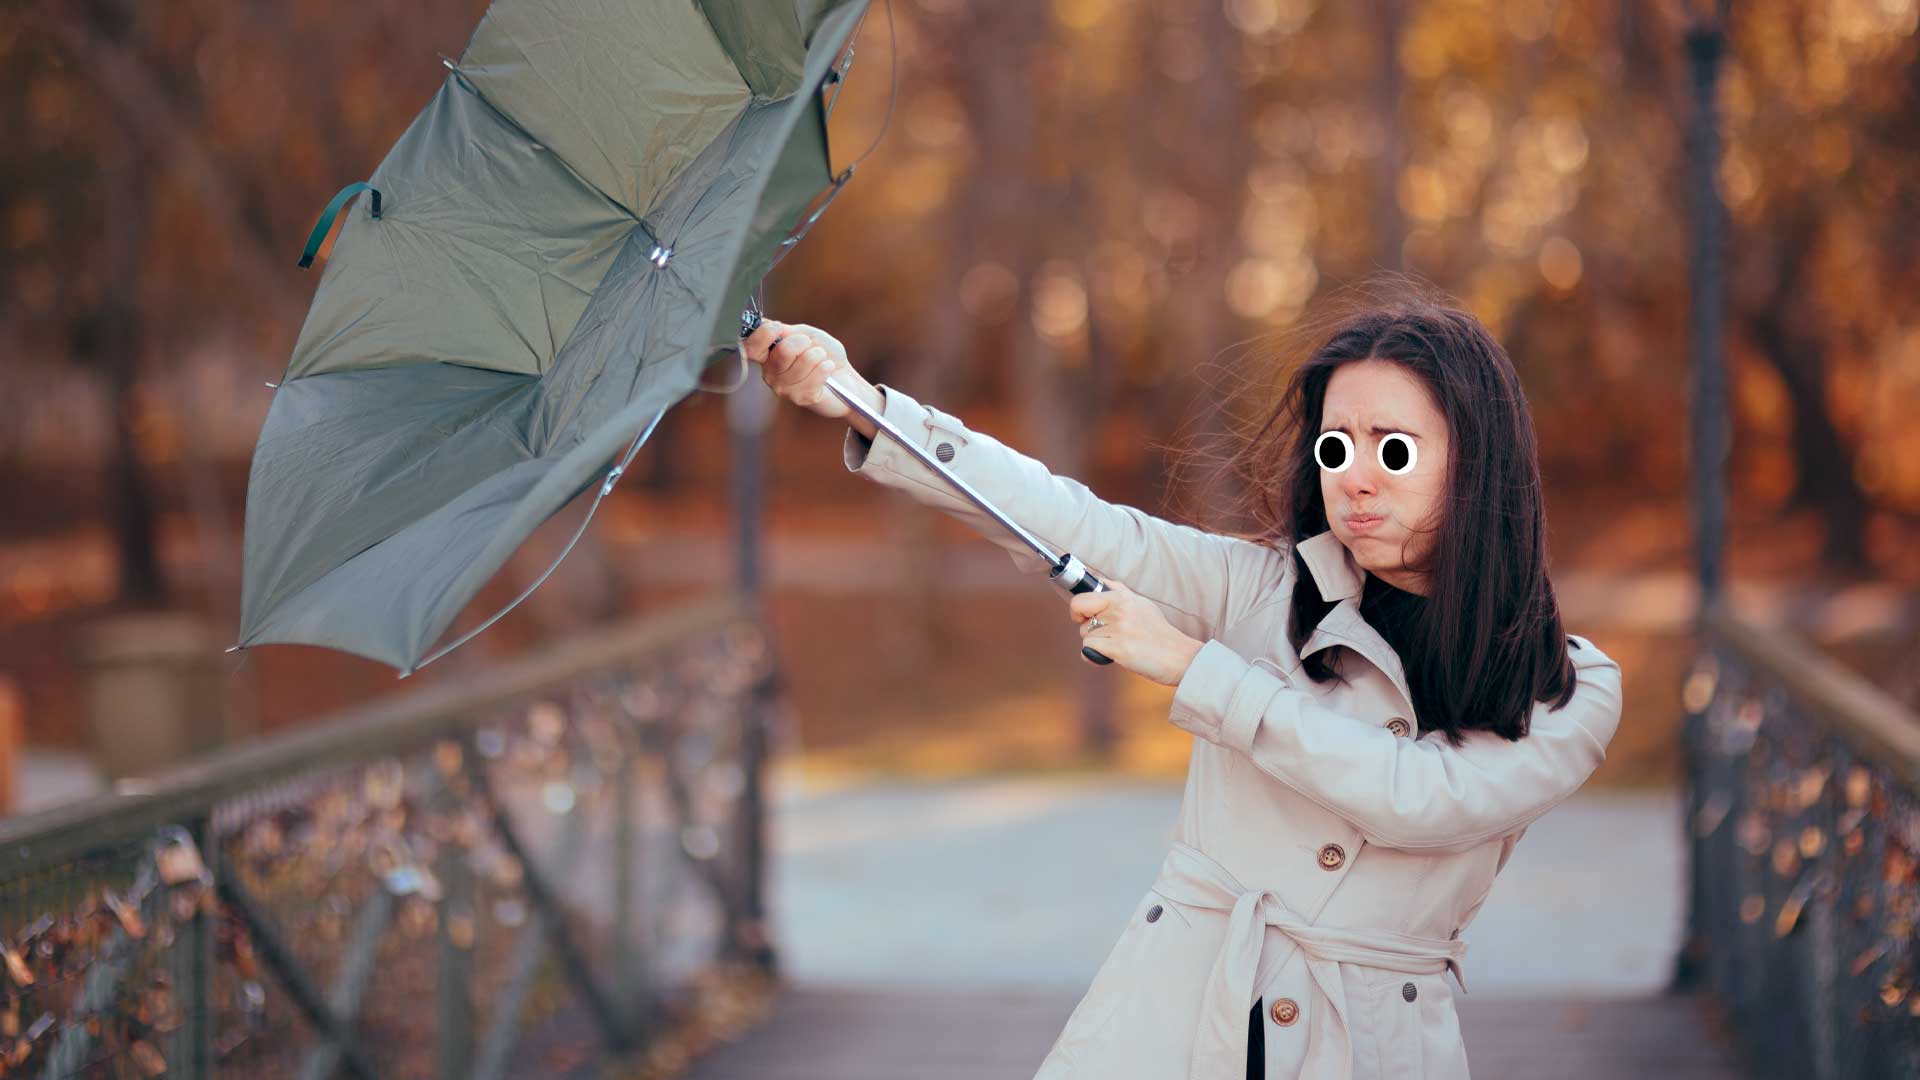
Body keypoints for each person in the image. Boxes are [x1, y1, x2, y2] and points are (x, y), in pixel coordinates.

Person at [739, 290, 1624, 1080]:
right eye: (1335, 443)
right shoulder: (1262, 590)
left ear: (1477, 459)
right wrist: (863, 402)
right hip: (1178, 1013)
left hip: (1374, 1047)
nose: (1354, 476)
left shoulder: (1565, 686)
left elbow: (1424, 801)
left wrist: (1193, 668)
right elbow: (1071, 520)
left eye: (1394, 449)